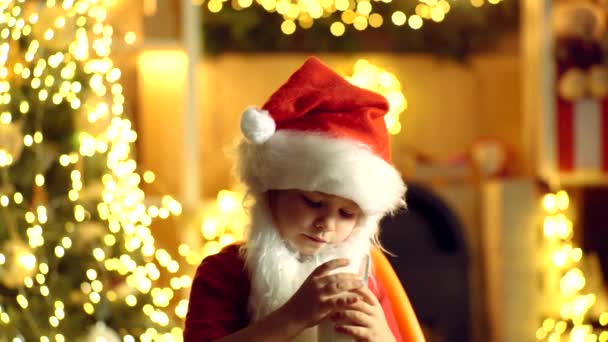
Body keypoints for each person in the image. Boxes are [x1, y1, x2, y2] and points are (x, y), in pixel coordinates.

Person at [184, 56, 409, 342]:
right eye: (314, 203)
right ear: (271, 194)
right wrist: (294, 316)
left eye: (346, 214)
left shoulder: (366, 280)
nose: (326, 224)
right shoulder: (224, 273)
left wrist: (382, 337)